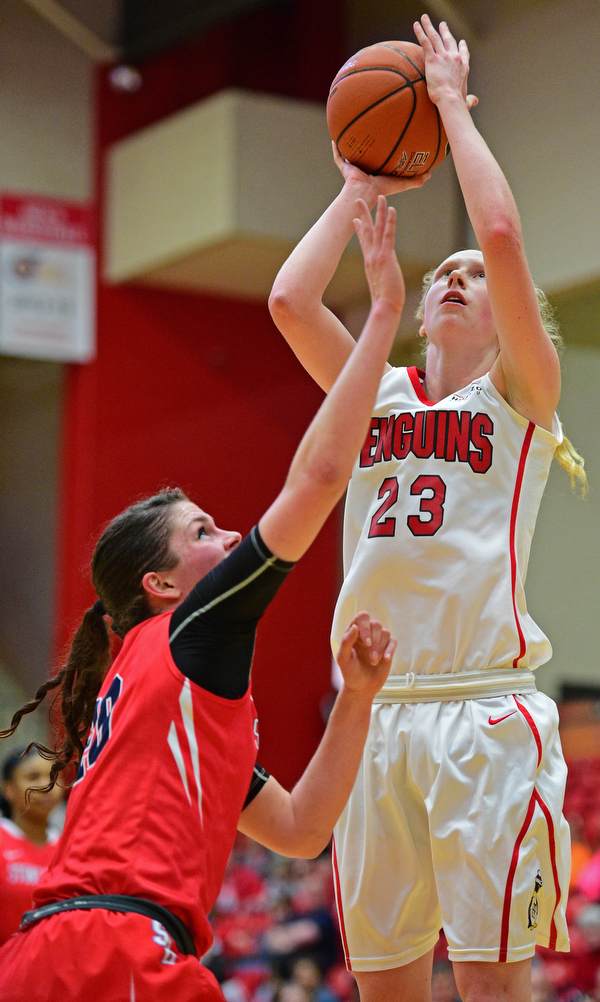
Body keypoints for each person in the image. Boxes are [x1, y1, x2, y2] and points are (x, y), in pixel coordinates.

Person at [0, 195, 404, 1001]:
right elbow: (322, 476)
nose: (228, 541)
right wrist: (386, 314)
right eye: (205, 531)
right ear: (163, 583)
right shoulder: (190, 628)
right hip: (117, 952)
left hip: (48, 956)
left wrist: (357, 698)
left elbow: (299, 830)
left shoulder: (169, 690)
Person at [268, 14, 587, 1002]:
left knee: (495, 984)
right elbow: (288, 298)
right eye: (439, 276)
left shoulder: (520, 399)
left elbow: (496, 232)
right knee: (387, 990)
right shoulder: (378, 394)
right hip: (371, 716)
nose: (456, 278)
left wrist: (448, 103)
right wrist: (360, 185)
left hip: (483, 711)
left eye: (474, 282)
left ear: (510, 319)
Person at [0, 748, 63, 947]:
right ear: (8, 789)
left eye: (53, 777)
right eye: (33, 777)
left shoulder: (68, 847)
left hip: (49, 971)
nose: (46, 785)